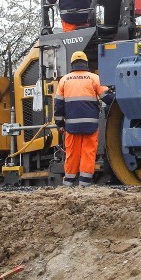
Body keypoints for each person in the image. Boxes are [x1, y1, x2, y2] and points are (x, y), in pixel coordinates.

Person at [54, 51, 114, 186]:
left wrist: (59, 122)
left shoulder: (64, 80)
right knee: (88, 152)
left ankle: (69, 182)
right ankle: (85, 183)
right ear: (86, 63)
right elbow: (108, 98)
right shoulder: (94, 78)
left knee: (72, 153)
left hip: (71, 126)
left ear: (72, 64)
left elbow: (58, 104)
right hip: (90, 125)